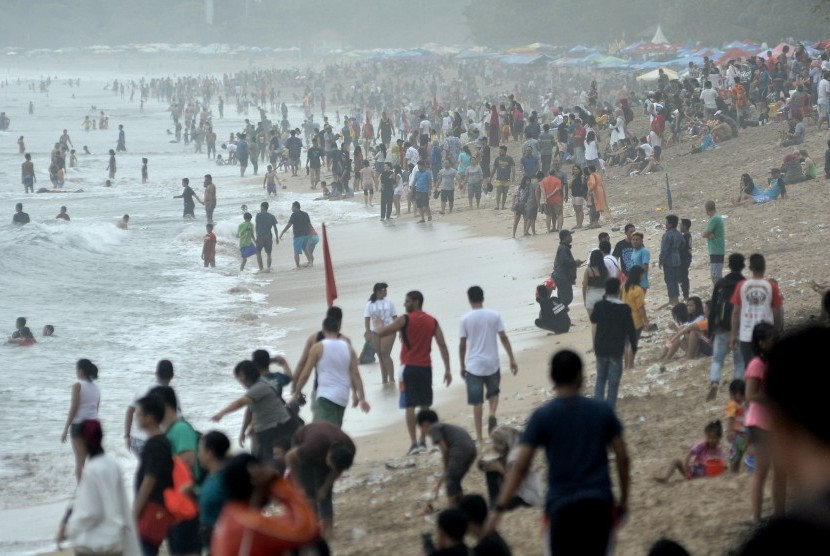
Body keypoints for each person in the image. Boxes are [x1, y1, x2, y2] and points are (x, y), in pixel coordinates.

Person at [486, 350, 630, 555]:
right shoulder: (602, 410)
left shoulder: (542, 416)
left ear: (552, 378)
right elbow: (623, 458)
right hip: (599, 504)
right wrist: (624, 500)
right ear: (581, 376)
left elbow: (521, 465)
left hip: (562, 506)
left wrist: (498, 510)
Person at [735, 326, 830, 552]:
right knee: (762, 471)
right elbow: (750, 395)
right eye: (770, 339)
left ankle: (778, 513)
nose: (773, 342)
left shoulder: (773, 364)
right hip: (760, 422)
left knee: (780, 473)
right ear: (760, 342)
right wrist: (776, 401)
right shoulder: (758, 364)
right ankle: (756, 515)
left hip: (776, 421)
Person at [376, 291, 451, 455]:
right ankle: (423, 441)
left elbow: (383, 332)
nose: (405, 304)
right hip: (425, 367)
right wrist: (447, 369)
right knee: (425, 405)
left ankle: (414, 443)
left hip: (408, 367)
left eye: (408, 301)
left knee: (409, 405)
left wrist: (380, 324)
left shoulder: (404, 319)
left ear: (416, 302)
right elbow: (442, 345)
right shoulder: (432, 321)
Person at [56, 420, 141, 556]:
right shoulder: (113, 465)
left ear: (81, 442)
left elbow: (91, 513)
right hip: (115, 541)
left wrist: (69, 529)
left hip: (94, 546)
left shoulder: (91, 470)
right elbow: (122, 504)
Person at [459, 286, 518, 444]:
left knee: (477, 402)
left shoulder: (465, 319)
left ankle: (479, 437)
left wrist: (461, 365)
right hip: (492, 362)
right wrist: (512, 359)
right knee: (493, 393)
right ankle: (492, 413)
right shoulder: (494, 315)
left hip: (474, 365)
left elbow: (462, 345)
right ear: (482, 298)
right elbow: (503, 337)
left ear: (469, 299)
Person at [292, 316, 370, 427]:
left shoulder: (317, 348)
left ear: (323, 329)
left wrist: (296, 392)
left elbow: (305, 374)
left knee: (328, 430)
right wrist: (362, 398)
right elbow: (355, 374)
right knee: (336, 427)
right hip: (343, 395)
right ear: (338, 329)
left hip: (326, 395)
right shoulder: (348, 348)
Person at [211, 360, 295, 465]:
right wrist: (243, 431)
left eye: (241, 376)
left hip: (277, 428)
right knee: (266, 461)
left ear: (249, 374)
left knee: (273, 462)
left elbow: (241, 402)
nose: (240, 380)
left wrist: (221, 413)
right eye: (238, 377)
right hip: (268, 430)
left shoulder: (260, 386)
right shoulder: (256, 387)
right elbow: (250, 410)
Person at [151, 386, 201, 556]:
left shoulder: (180, 429)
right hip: (175, 505)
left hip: (185, 504)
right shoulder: (169, 430)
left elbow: (188, 459)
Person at [285, 422, 356, 538]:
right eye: (330, 465)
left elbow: (338, 469)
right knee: (308, 491)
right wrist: (298, 485)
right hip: (302, 439)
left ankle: (328, 530)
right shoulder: (312, 447)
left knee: (325, 492)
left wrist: (325, 487)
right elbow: (289, 457)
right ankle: (312, 526)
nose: (331, 469)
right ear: (327, 456)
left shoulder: (349, 449)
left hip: (325, 441)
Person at [132, 395, 174, 556]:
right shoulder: (162, 441)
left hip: (152, 508)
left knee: (145, 549)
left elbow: (149, 481)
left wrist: (135, 513)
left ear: (149, 418)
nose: (137, 418)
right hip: (157, 508)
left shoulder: (155, 445)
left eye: (139, 414)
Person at [591, 278, 639, 409]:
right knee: (613, 381)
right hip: (616, 348)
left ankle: (598, 407)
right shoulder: (624, 308)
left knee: (601, 378)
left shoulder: (599, 306)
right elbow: (631, 330)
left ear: (605, 290)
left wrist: (594, 344)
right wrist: (634, 347)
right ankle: (609, 408)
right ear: (619, 290)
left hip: (601, 346)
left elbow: (593, 320)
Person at [730, 253, 784, 366]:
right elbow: (776, 311)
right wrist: (777, 330)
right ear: (764, 267)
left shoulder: (742, 285)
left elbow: (735, 313)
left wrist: (734, 335)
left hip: (746, 333)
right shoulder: (771, 286)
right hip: (766, 334)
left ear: (750, 268)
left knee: (749, 367)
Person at [417, 410, 477, 507]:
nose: (423, 432)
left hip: (460, 449)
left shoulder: (433, 428)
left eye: (421, 428)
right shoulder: (443, 427)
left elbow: (445, 450)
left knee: (451, 480)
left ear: (425, 425)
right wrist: (438, 485)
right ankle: (461, 505)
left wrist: (445, 466)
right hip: (471, 449)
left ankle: (452, 508)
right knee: (455, 480)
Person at [478, 426, 543, 511]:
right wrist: (482, 463)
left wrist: (499, 468)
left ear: (506, 442)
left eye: (498, 443)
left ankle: (496, 504)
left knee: (495, 467)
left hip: (526, 495)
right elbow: (483, 465)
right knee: (490, 468)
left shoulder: (518, 454)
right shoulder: (506, 449)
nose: (495, 446)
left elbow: (515, 481)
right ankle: (494, 502)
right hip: (516, 490)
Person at [708, 253, 746, 396]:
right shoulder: (745, 284)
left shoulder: (721, 283)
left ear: (729, 265)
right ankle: (737, 388)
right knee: (739, 361)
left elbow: (713, 310)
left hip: (721, 328)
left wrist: (710, 331)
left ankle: (714, 381)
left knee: (717, 359)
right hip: (740, 328)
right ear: (743, 266)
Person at [124, 360, 176, 457]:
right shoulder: (170, 395)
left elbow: (130, 411)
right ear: (172, 376)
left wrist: (127, 435)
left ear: (156, 374)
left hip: (136, 440)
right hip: (156, 441)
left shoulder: (142, 389)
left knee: (147, 467)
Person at [61, 359, 101, 483]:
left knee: (79, 461)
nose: (76, 372)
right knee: (93, 460)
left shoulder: (78, 385)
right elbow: (96, 408)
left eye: (77, 370)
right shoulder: (96, 388)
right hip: (94, 424)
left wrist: (66, 428)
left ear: (81, 371)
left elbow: (74, 407)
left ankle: (82, 492)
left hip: (80, 425)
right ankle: (95, 489)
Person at [653, 420, 726, 482]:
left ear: (719, 438)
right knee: (676, 461)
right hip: (691, 471)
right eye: (709, 438)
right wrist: (685, 464)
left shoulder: (719, 451)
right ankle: (665, 477)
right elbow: (690, 453)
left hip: (704, 476)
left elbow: (722, 463)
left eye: (714, 438)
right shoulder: (702, 445)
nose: (711, 440)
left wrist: (723, 467)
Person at [196, 431, 230, 550]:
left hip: (224, 543)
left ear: (209, 453)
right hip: (210, 543)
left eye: (200, 450)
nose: (198, 455)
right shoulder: (209, 477)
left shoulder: (226, 479)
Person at [364, 282, 397, 385]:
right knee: (380, 355)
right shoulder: (369, 304)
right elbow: (367, 319)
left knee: (385, 353)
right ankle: (384, 379)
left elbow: (395, 317)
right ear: (378, 292)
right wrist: (368, 331)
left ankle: (391, 378)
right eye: (384, 290)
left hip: (389, 329)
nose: (386, 292)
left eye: (386, 290)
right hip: (376, 332)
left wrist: (399, 330)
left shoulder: (390, 302)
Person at [622, 266, 648, 369]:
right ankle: (630, 365)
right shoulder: (638, 290)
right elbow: (641, 308)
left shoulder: (624, 286)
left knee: (626, 344)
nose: (643, 276)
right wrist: (645, 321)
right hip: (635, 320)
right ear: (638, 275)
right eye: (642, 274)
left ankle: (626, 365)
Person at [279, 201, 316, 268]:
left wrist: (282, 232)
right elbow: (309, 224)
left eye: (292, 207)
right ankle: (310, 262)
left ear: (295, 207)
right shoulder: (305, 214)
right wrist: (312, 233)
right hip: (306, 235)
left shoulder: (294, 215)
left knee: (296, 252)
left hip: (298, 236)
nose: (291, 208)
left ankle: (298, 266)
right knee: (305, 249)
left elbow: (289, 225)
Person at [552, 229, 582, 308]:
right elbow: (565, 261)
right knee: (566, 298)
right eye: (570, 236)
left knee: (565, 298)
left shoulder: (564, 247)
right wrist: (575, 263)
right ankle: (559, 313)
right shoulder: (563, 248)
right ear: (565, 237)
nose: (571, 237)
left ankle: (561, 313)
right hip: (562, 277)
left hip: (563, 276)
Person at [660, 215, 683, 307]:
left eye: (666, 222)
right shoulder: (679, 234)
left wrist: (661, 260)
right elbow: (683, 245)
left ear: (670, 224)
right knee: (675, 279)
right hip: (677, 259)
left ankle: (672, 300)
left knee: (669, 279)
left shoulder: (667, 235)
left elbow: (664, 250)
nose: (665, 224)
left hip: (669, 260)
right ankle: (676, 299)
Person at [725, 379, 748, 473]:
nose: (743, 397)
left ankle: (736, 471)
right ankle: (733, 472)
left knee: (739, 455)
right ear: (734, 394)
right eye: (741, 395)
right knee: (734, 456)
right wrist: (730, 431)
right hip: (735, 435)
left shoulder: (740, 405)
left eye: (744, 394)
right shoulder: (732, 405)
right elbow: (730, 418)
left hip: (742, 436)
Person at [702, 201, 725, 285]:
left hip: (716, 251)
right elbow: (708, 233)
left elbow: (705, 234)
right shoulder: (717, 218)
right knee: (717, 276)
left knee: (715, 277)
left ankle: (719, 295)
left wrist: (707, 234)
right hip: (717, 250)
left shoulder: (715, 219)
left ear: (707, 210)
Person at [582, 250, 609, 318]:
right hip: (603, 295)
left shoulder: (588, 270)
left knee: (594, 323)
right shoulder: (605, 270)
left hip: (591, 296)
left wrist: (585, 300)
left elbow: (584, 286)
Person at [254, 202, 279, 273]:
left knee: (258, 252)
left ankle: (261, 268)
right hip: (268, 236)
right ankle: (268, 268)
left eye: (260, 207)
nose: (260, 208)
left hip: (260, 236)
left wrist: (256, 236)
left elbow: (257, 226)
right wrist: (276, 238)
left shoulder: (258, 215)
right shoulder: (272, 216)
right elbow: (275, 228)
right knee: (269, 254)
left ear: (262, 207)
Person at [492, 145, 514, 210]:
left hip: (507, 179)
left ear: (505, 151)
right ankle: (497, 206)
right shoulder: (497, 159)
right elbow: (494, 169)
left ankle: (503, 206)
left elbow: (513, 168)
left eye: (501, 150)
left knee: (505, 193)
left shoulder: (510, 159)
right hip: (499, 179)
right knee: (498, 193)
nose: (499, 151)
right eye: (499, 150)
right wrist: (491, 177)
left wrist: (513, 176)